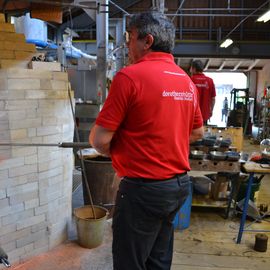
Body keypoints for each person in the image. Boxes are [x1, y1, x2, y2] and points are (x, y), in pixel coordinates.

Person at [90, 11, 204, 270]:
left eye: (130, 38)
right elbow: (197, 133)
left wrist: (131, 148)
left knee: (129, 263)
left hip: (143, 190)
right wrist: (161, 140)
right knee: (158, 260)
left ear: (147, 41)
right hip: (177, 187)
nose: (128, 45)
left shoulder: (130, 77)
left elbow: (99, 140)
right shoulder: (186, 82)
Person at [190, 60, 216, 125]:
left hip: (193, 114)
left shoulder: (190, 80)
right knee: (204, 133)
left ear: (194, 68)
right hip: (205, 115)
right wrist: (211, 110)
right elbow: (213, 98)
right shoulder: (210, 81)